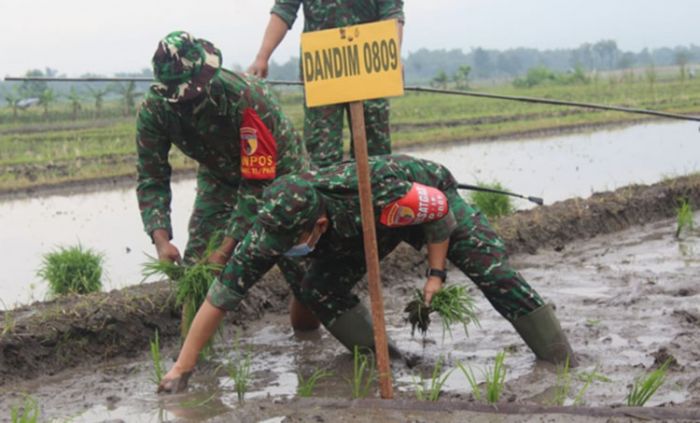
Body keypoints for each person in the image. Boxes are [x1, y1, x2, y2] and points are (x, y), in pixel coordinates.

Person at [158, 154, 577, 393]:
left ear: (316, 226)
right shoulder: (270, 229)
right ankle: (392, 359)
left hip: (425, 203)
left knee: (492, 271)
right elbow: (221, 296)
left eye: (293, 242)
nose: (284, 252)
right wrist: (182, 368)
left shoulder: (375, 187)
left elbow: (437, 212)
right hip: (359, 232)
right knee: (317, 287)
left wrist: (436, 274)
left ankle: (560, 359)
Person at [136, 30, 317, 327]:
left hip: (281, 173)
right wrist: (161, 239)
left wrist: (226, 250)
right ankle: (193, 361)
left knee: (304, 274)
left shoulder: (245, 98)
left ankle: (309, 343)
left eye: (190, 93)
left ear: (206, 76)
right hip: (219, 174)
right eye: (176, 97)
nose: (184, 104)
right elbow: (151, 177)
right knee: (198, 269)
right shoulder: (155, 110)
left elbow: (257, 185)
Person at [248, 0, 405, 167]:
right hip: (322, 67)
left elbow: (391, 11)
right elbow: (284, 8)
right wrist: (262, 57)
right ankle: (327, 192)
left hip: (370, 62)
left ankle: (372, 191)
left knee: (375, 153)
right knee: (322, 155)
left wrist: (392, 52)